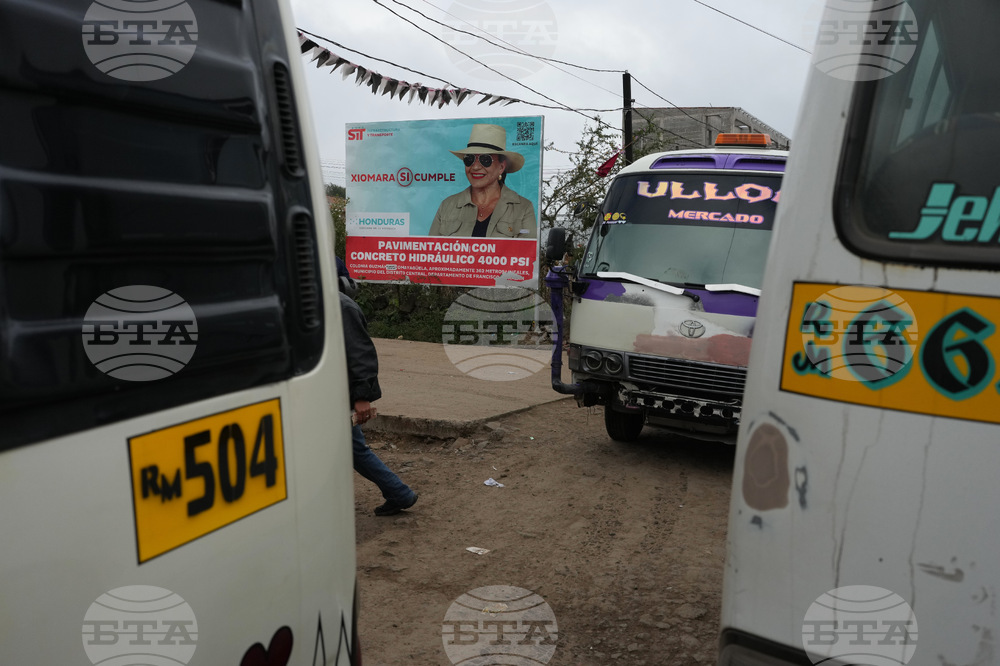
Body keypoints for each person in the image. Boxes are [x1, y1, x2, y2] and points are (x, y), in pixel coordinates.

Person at [339, 265, 418, 516]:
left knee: (355, 449)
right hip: (324, 392)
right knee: (351, 449)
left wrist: (362, 397)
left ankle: (399, 492)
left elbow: (360, 353)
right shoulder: (317, 303)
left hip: (337, 394)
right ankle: (398, 492)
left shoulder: (341, 307)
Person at [428, 124, 538, 238]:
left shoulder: (523, 208)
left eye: (485, 159)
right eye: (469, 159)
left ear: (501, 167)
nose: (475, 167)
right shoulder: (447, 206)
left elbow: (526, 253)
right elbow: (431, 251)